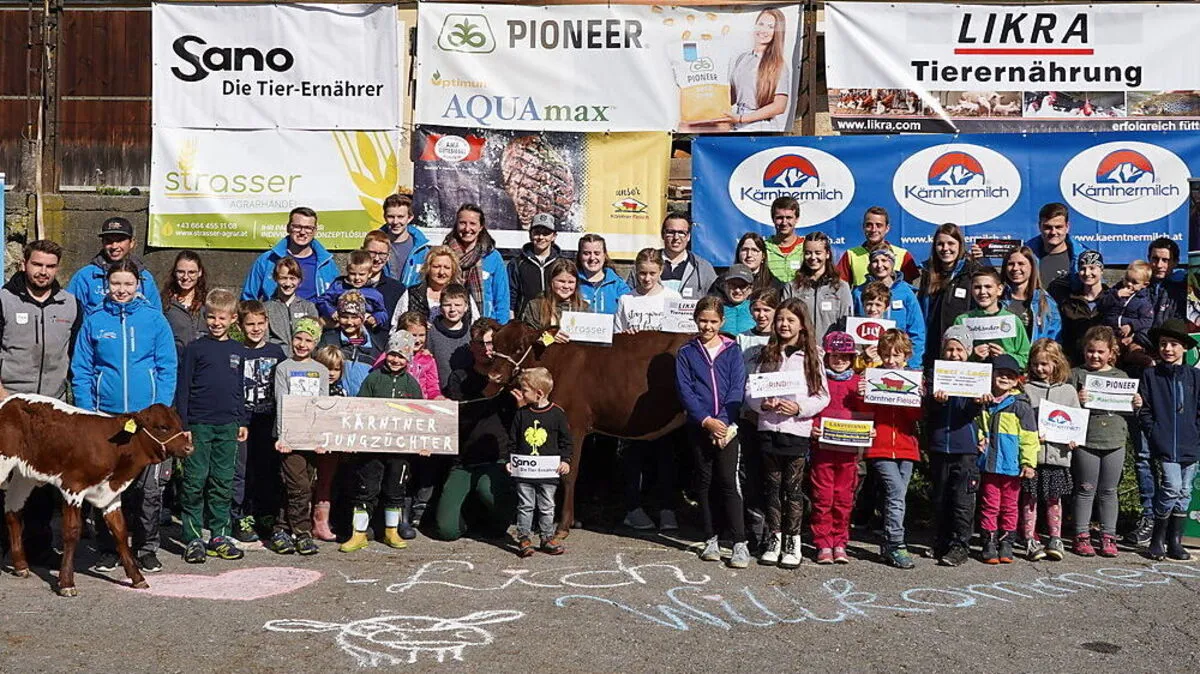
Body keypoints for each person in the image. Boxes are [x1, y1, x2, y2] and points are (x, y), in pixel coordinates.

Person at [71, 258, 176, 574]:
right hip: (107, 416)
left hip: (145, 422)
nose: (121, 289)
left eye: (128, 284)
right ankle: (109, 548)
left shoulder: (155, 321)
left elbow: (166, 367)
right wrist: (89, 412)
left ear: (138, 286)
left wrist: (159, 412)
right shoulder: (95, 320)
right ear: (107, 285)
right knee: (106, 487)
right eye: (116, 283)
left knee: (147, 489)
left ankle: (146, 548)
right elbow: (82, 369)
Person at [0, 240, 82, 569]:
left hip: (51, 408)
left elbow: (76, 356)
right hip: (10, 405)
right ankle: (6, 544)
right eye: (37, 265)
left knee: (42, 481)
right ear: (24, 264)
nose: (43, 272)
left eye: (50, 266)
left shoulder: (70, 305)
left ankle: (39, 546)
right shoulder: (3, 300)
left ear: (57, 268)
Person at [746, 298, 829, 568]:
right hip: (769, 428)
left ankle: (793, 542)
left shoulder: (812, 356)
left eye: (790, 320)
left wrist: (799, 407)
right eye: (780, 319)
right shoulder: (765, 354)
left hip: (796, 431)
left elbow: (822, 396)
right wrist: (762, 404)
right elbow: (750, 390)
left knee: (792, 489)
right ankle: (774, 538)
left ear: (802, 325)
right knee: (771, 487)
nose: (784, 324)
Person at [175, 289, 250, 564]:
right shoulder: (195, 349)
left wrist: (242, 420)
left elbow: (241, 388)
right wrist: (184, 424)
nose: (215, 323)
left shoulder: (238, 351)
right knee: (195, 481)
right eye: (210, 317)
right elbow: (183, 388)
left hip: (228, 425)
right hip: (199, 424)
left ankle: (219, 534)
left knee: (223, 481)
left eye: (221, 318)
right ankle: (193, 536)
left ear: (233, 319)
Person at [676, 297, 750, 568]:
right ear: (696, 319)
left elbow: (736, 388)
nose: (707, 326)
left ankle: (739, 542)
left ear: (722, 322)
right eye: (703, 320)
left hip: (728, 428)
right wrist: (706, 421)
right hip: (700, 428)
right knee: (704, 483)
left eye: (713, 321)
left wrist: (723, 423)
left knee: (729, 483)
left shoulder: (732, 350)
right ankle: (711, 538)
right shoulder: (686, 352)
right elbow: (686, 391)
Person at [434, 318, 516, 541]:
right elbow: (461, 419)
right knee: (446, 531)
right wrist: (487, 392)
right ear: (472, 346)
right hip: (464, 461)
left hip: (498, 459)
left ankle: (494, 517)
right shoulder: (459, 377)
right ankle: (470, 517)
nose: (486, 349)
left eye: (491, 343)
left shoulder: (512, 381)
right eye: (480, 343)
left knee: (494, 504)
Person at [342, 331, 425, 553]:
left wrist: (423, 444)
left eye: (401, 356)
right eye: (393, 354)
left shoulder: (412, 384)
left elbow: (422, 417)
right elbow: (359, 409)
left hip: (400, 450)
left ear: (408, 359)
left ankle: (391, 531)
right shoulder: (373, 378)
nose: (396, 360)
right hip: (372, 448)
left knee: (395, 489)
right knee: (366, 489)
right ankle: (358, 533)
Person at [1068, 326, 1138, 557]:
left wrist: (1135, 403)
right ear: (1084, 351)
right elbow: (1065, 409)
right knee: (1085, 488)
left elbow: (1128, 410)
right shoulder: (1076, 374)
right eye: (1090, 351)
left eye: (1100, 352)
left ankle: (1108, 536)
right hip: (1086, 438)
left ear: (1111, 352)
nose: (1095, 356)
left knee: (1109, 490)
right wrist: (1076, 400)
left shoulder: (1121, 377)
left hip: (1115, 438)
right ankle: (1081, 535)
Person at [860, 329, 923, 569]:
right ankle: (896, 543)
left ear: (906, 356)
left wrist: (917, 396)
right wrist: (863, 394)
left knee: (897, 496)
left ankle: (888, 543)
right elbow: (865, 412)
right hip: (880, 447)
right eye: (886, 355)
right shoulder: (874, 377)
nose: (891, 361)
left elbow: (917, 417)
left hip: (907, 447)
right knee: (896, 494)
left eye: (897, 355)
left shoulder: (914, 378)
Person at [1138, 319, 1200, 561]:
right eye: (1164, 344)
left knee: (1184, 491)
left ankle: (1175, 541)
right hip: (1165, 444)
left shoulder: (1194, 377)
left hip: (1190, 443)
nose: (1168, 349)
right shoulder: (1151, 375)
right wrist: (1154, 431)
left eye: (1174, 344)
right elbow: (1145, 410)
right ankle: (1157, 538)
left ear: (1184, 348)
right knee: (1171, 487)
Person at [268, 317, 328, 555]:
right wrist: (283, 437)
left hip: (311, 438)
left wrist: (322, 439)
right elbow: (281, 402)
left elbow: (323, 406)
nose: (302, 344)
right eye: (298, 338)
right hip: (289, 436)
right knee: (299, 486)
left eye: (308, 340)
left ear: (315, 344)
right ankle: (302, 531)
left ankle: (281, 529)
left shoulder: (321, 371)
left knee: (299, 485)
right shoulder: (284, 368)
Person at [975, 354, 1039, 565]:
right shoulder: (983, 402)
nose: (1004, 378)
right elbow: (978, 427)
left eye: (1010, 376)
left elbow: (1030, 436)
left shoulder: (1020, 405)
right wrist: (979, 439)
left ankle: (1006, 543)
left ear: (1016, 381)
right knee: (989, 505)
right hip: (990, 464)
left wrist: (1028, 462)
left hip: (1012, 467)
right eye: (1000, 374)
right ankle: (989, 542)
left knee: (1010, 506)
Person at [808, 331, 866, 565]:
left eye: (845, 356)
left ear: (852, 358)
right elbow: (810, 407)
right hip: (823, 450)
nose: (839, 360)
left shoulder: (858, 383)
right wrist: (812, 427)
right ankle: (822, 542)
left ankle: (840, 541)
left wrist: (869, 430)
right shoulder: (818, 380)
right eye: (834, 355)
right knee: (822, 498)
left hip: (849, 453)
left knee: (844, 498)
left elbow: (868, 415)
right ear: (827, 356)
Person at [232, 300, 287, 545]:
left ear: (267, 323)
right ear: (241, 326)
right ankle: (241, 516)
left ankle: (266, 515)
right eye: (250, 324)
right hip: (243, 421)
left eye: (260, 323)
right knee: (242, 472)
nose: (256, 329)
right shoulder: (236, 352)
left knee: (268, 470)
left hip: (268, 420)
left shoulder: (276, 353)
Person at [927, 326, 983, 567]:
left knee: (962, 500)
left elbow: (971, 415)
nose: (954, 354)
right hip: (939, 445)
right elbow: (928, 411)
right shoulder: (935, 374)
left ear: (968, 351)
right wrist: (936, 401)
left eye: (959, 349)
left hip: (965, 447)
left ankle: (960, 545)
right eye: (949, 348)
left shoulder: (976, 376)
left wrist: (977, 402)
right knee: (940, 498)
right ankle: (940, 541)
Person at [1022, 339, 1078, 562]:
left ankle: (1055, 537)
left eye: (1045, 364)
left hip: (1058, 455)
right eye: (1036, 364)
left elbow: (1076, 422)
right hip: (1033, 456)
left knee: (1055, 499)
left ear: (1057, 363)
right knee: (1030, 498)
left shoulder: (1068, 391)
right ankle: (1028, 538)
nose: (1040, 369)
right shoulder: (1026, 389)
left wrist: (1074, 439)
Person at [507, 367, 572, 557]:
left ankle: (546, 537)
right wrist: (511, 459)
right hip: (525, 472)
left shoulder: (557, 414)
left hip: (548, 472)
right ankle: (524, 538)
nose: (522, 393)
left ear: (539, 393)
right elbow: (514, 439)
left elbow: (566, 441)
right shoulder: (521, 414)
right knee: (526, 505)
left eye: (525, 390)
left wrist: (566, 460)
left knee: (547, 505)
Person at [735, 287, 777, 549]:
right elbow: (738, 380)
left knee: (773, 477)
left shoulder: (784, 339)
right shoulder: (743, 339)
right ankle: (755, 531)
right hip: (749, 417)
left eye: (767, 310)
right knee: (750, 476)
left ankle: (776, 532)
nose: (761, 315)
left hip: (778, 420)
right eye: (757, 310)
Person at [241, 206, 339, 302]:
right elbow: (248, 299)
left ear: (315, 231)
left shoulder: (327, 264)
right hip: (276, 316)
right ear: (288, 228)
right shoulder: (267, 260)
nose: (302, 232)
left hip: (315, 316)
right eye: (297, 227)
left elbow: (337, 299)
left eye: (308, 228)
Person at [67, 216, 162, 313]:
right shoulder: (85, 276)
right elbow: (70, 313)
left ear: (132, 243)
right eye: (109, 241)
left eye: (120, 240)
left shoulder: (145, 278)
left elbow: (156, 314)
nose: (114, 246)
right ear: (102, 243)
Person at [918, 223, 981, 368]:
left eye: (951, 243)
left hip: (962, 355)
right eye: (940, 244)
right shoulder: (927, 273)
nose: (945, 248)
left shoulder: (972, 272)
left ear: (960, 245)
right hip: (932, 351)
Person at [852, 247, 925, 368]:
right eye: (875, 261)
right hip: (867, 363)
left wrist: (913, 365)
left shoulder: (905, 292)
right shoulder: (859, 292)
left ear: (892, 263)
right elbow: (851, 329)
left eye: (884, 260)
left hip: (898, 363)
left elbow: (917, 331)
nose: (879, 265)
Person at [952, 267, 1031, 367]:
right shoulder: (962, 320)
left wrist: (1006, 357)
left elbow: (1026, 359)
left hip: (1004, 379)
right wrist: (971, 355)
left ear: (999, 290)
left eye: (988, 287)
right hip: (973, 378)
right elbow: (952, 356)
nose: (982, 292)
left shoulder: (1014, 321)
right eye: (977, 287)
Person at [444, 203, 510, 323]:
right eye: (462, 223)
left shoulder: (493, 257)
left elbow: (501, 298)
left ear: (481, 227)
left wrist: (500, 328)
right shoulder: (445, 255)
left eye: (473, 223)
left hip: (485, 325)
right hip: (450, 323)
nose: (467, 228)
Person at [727, 8, 790, 131]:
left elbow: (779, 106)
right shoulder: (742, 58)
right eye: (761, 24)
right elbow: (734, 95)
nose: (763, 30)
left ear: (777, 32)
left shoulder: (778, 64)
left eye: (770, 26)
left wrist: (742, 118)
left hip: (760, 127)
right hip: (736, 125)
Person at [782, 231, 852, 339]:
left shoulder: (841, 287)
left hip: (830, 352)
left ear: (827, 254)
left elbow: (847, 325)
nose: (813, 257)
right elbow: (784, 321)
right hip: (799, 351)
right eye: (808, 253)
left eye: (818, 253)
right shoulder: (792, 287)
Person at [633, 213, 716, 300]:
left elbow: (714, 302)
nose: (676, 237)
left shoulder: (703, 268)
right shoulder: (644, 264)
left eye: (681, 233)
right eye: (671, 232)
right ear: (662, 235)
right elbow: (631, 295)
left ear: (688, 236)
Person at [310, 345, 347, 542]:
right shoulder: (310, 388)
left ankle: (321, 521)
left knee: (325, 482)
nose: (331, 373)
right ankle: (302, 520)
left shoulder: (341, 392)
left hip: (331, 446)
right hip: (309, 443)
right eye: (326, 368)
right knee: (305, 482)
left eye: (335, 369)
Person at [318, 291, 384, 396]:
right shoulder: (329, 340)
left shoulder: (375, 345)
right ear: (338, 316)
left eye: (354, 317)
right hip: (335, 400)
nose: (349, 322)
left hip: (364, 403)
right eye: (344, 317)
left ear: (362, 318)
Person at [835, 207, 920, 287]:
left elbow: (912, 290)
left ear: (887, 228)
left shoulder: (903, 255)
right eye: (869, 225)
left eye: (878, 225)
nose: (873, 229)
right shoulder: (850, 255)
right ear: (863, 227)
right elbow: (839, 288)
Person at [394, 245, 478, 324]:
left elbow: (475, 326)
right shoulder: (412, 294)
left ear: (453, 271)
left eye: (446, 267)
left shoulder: (464, 295)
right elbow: (396, 326)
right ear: (428, 268)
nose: (441, 272)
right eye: (436, 267)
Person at [314, 250, 390, 333]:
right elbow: (322, 300)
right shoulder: (339, 286)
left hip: (363, 331)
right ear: (347, 271)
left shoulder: (374, 294)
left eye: (361, 274)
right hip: (339, 329)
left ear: (370, 273)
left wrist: (375, 318)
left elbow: (382, 312)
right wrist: (331, 311)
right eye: (353, 274)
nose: (357, 278)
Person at [508, 213, 565, 321]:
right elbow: (511, 296)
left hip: (556, 321)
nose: (541, 237)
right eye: (537, 233)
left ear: (554, 236)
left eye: (546, 233)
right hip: (526, 323)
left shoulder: (562, 263)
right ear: (530, 235)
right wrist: (512, 322)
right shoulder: (517, 263)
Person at [1023, 202, 1084, 297]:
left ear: (1067, 227)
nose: (1053, 232)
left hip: (1071, 310)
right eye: (1048, 227)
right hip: (1035, 310)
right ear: (1040, 226)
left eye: (1058, 227)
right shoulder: (1025, 255)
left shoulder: (1082, 257)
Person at [1057, 250, 1107, 365]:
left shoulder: (1112, 300)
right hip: (1076, 363)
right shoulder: (1069, 302)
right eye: (1083, 268)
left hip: (1105, 363)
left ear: (1101, 270)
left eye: (1092, 268)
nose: (1087, 273)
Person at [1001, 246, 1061, 343]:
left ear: (1032, 267)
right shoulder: (997, 299)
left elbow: (1054, 338)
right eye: (1011, 264)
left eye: (1021, 264)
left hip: (1035, 356)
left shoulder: (1045, 302)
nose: (1015, 268)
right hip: (1003, 356)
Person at [615, 248, 682, 334]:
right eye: (642, 273)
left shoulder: (673, 297)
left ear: (661, 270)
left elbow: (680, 335)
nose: (647, 279)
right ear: (636, 271)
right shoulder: (626, 299)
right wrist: (626, 335)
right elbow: (618, 334)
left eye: (652, 273)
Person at [1096, 260, 1154, 358]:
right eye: (1127, 279)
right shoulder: (1114, 291)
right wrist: (1116, 296)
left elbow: (1147, 320)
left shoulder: (1143, 302)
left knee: (1133, 353)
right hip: (1108, 332)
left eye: (1135, 282)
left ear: (1145, 284)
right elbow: (1101, 305)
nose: (1129, 284)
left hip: (1128, 336)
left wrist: (1131, 326)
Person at [263, 257, 318, 358]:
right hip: (276, 360)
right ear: (275, 278)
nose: (288, 284)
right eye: (283, 278)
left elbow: (315, 338)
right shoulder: (266, 308)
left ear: (299, 280)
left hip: (302, 361)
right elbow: (265, 339)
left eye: (292, 278)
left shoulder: (308, 307)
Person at [427, 283, 475, 392]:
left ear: (466, 307)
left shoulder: (472, 333)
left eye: (458, 305)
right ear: (440, 307)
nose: (452, 309)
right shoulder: (430, 333)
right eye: (447, 305)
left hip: (467, 392)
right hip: (439, 393)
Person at [520, 258, 586, 335]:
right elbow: (528, 337)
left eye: (571, 282)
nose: (566, 286)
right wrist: (550, 337)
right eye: (561, 281)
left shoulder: (584, 308)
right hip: (544, 347)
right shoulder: (535, 307)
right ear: (551, 281)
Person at [379, 193, 432, 285]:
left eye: (400, 217)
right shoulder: (374, 246)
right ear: (384, 217)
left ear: (410, 218)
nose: (395, 222)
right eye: (391, 217)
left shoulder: (422, 250)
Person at [161, 250, 208, 353]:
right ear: (174, 272)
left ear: (200, 272)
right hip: (176, 362)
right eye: (181, 272)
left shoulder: (208, 302)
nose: (186, 277)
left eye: (191, 272)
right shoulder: (164, 303)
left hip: (202, 362)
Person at [576, 233, 631, 314]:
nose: (592, 258)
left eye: (597, 253)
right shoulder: (571, 282)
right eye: (586, 253)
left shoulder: (618, 285)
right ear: (580, 255)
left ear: (604, 255)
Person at [361, 230, 408, 319]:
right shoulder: (344, 283)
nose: (377, 259)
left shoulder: (397, 289)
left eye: (382, 254)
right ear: (362, 251)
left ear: (388, 257)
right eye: (372, 253)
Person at [1146, 237, 1187, 331]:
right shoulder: (1135, 284)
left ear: (1176, 262)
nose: (1159, 265)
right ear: (1149, 258)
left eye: (1165, 260)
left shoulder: (1185, 288)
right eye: (1155, 259)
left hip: (1171, 341)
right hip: (1140, 342)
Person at [764, 197, 805, 284]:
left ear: (796, 219)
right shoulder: (763, 248)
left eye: (789, 217)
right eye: (780, 218)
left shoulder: (806, 247)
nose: (784, 222)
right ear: (773, 219)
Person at [708, 264, 756, 335]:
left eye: (743, 286)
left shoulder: (757, 309)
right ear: (724, 286)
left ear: (750, 289)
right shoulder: (715, 309)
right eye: (733, 285)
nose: (737, 290)